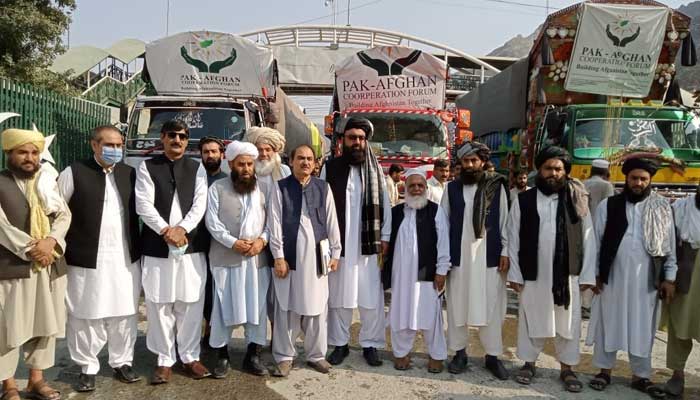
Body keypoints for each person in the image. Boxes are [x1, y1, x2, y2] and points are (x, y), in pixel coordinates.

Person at [58, 126, 142, 392]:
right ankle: (87, 366)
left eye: (119, 145)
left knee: (124, 311)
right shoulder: (74, 172)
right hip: (85, 255)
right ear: (94, 145)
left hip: (124, 255)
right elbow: (58, 211)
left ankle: (122, 361)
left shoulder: (130, 173)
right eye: (109, 144)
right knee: (85, 312)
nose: (115, 150)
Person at [507, 146, 596, 393]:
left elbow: (588, 238)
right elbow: (513, 236)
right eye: (548, 168)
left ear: (566, 171)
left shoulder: (577, 200)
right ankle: (528, 363)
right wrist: (514, 272)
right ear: (540, 170)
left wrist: (587, 274)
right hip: (533, 273)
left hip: (567, 275)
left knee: (568, 322)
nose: (553, 173)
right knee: (529, 318)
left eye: (558, 169)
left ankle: (567, 368)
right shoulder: (523, 199)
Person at [586, 157, 676, 399]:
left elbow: (669, 247)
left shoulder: (662, 207)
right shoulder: (609, 205)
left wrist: (669, 278)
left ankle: (641, 375)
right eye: (634, 178)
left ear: (650, 181)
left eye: (643, 179)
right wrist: (594, 273)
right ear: (626, 178)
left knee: (642, 326)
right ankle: (605, 371)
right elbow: (597, 240)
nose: (638, 183)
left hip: (646, 279)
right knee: (609, 321)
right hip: (612, 276)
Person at [135, 120, 211, 384]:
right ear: (163, 138)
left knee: (190, 302)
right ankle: (164, 359)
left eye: (182, 136)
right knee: (159, 303)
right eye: (172, 135)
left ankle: (190, 356)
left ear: (187, 140)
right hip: (158, 245)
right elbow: (143, 204)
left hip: (190, 245)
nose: (177, 140)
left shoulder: (196, 167)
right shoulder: (147, 166)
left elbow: (200, 204)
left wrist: (183, 230)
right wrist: (166, 230)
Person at [0, 128, 72, 400]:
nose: (30, 158)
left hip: (49, 264)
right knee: (7, 327)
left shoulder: (46, 182)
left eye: (34, 152)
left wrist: (51, 241)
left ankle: (35, 381)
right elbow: (2, 227)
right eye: (23, 152)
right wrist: (34, 248)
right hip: (14, 266)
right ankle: (8, 386)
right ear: (9, 153)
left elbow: (64, 215)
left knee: (45, 324)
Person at [322, 117, 392, 367]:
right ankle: (339, 343)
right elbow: (321, 206)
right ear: (343, 140)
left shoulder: (375, 171)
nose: (357, 142)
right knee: (339, 297)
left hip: (368, 245)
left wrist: (385, 236)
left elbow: (385, 204)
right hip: (338, 245)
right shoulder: (330, 168)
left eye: (361, 138)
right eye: (352, 138)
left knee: (370, 297)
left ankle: (370, 343)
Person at [268, 144, 342, 377]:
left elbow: (332, 221)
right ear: (291, 161)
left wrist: (336, 253)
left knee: (317, 308)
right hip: (289, 259)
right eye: (300, 158)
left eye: (310, 158)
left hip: (318, 257)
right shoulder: (280, 188)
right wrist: (278, 257)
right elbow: (274, 225)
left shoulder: (323, 187)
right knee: (286, 307)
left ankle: (316, 355)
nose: (305, 162)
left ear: (315, 162)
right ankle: (284, 356)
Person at [441, 142, 510, 379]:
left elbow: (506, 223)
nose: (470, 165)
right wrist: (443, 259)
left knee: (491, 307)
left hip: (488, 258)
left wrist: (506, 252)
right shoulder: (451, 189)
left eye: (474, 161)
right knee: (457, 306)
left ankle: (492, 356)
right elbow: (443, 224)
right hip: (459, 260)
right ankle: (459, 353)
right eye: (466, 161)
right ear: (460, 163)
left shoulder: (497, 187)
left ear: (482, 162)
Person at [205, 141, 271, 378]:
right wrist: (233, 242)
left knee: (257, 306)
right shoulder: (218, 188)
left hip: (255, 258)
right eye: (241, 164)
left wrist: (262, 241)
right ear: (231, 164)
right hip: (226, 256)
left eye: (249, 164)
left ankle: (252, 354)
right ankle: (222, 355)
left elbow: (271, 221)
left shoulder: (263, 188)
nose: (246, 169)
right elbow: (212, 222)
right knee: (223, 307)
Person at [383, 169, 449, 372]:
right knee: (401, 313)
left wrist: (441, 270)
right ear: (405, 188)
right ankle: (401, 353)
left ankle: (436, 355)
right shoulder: (395, 212)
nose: (417, 189)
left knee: (431, 316)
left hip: (427, 275)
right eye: (412, 185)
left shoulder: (436, 211)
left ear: (426, 188)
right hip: (401, 276)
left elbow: (444, 243)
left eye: (421, 185)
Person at [661, 185, 700, 397]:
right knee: (679, 326)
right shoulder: (681, 207)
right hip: (686, 270)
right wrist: (669, 278)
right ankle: (678, 374)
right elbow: (669, 243)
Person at [198, 136, 228, 346]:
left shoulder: (228, 182)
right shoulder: (194, 180)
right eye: (206, 152)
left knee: (215, 289)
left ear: (222, 155)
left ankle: (212, 331)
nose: (210, 155)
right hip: (197, 243)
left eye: (214, 151)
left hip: (220, 245)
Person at [581, 158, 615, 318]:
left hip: (581, 230)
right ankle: (586, 304)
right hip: (596, 231)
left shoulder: (582, 183)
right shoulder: (606, 186)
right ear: (606, 172)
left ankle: (581, 301)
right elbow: (609, 209)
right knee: (591, 265)